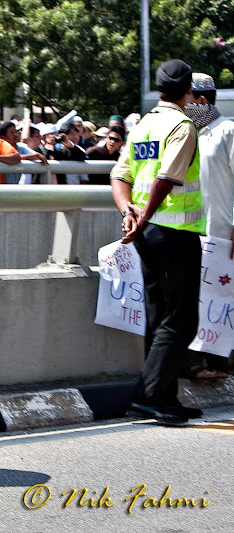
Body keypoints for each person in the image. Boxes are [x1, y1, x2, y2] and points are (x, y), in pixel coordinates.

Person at [111, 59, 206, 425]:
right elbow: (166, 180)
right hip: (174, 232)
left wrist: (128, 214)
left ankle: (164, 396)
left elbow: (120, 176)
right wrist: (143, 216)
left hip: (147, 234)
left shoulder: (143, 125)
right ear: (189, 93)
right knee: (182, 318)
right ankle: (148, 396)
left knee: (159, 314)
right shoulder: (183, 125)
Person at [183, 72, 233, 379]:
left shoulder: (227, 131)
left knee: (221, 299)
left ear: (201, 100)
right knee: (192, 297)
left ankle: (218, 363)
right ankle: (193, 363)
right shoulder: (185, 133)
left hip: (222, 231)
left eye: (188, 99)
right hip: (190, 231)